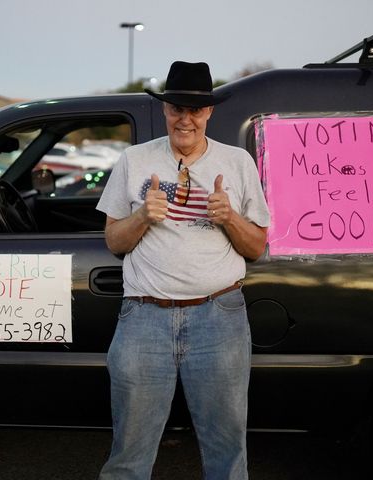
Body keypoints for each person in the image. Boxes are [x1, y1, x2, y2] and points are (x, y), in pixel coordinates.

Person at [96, 61, 270, 479]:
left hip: (218, 316)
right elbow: (113, 241)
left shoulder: (239, 163)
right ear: (165, 110)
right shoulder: (134, 160)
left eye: (195, 110)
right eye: (177, 107)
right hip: (144, 317)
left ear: (209, 112)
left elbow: (258, 247)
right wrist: (142, 218)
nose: (185, 118)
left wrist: (229, 216)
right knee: (129, 453)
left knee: (227, 451)